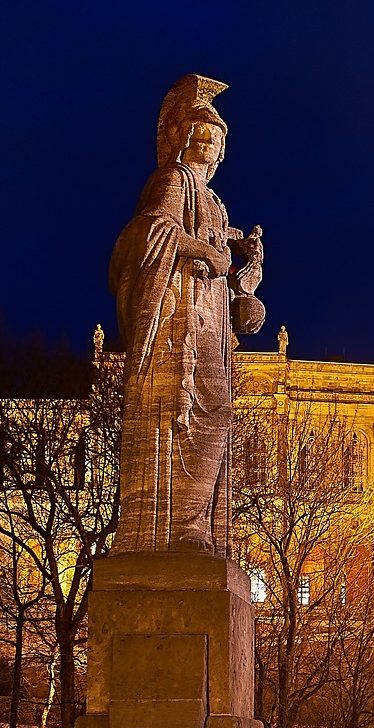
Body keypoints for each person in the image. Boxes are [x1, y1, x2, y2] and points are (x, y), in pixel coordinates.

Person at [110, 75, 264, 553]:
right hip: (180, 318)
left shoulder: (214, 200)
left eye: (217, 140)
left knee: (214, 415)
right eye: (202, 136)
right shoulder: (174, 181)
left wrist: (244, 263)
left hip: (211, 318)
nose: (210, 147)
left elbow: (219, 248)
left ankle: (195, 525)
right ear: (185, 139)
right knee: (190, 414)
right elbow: (151, 231)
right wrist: (206, 251)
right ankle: (178, 528)